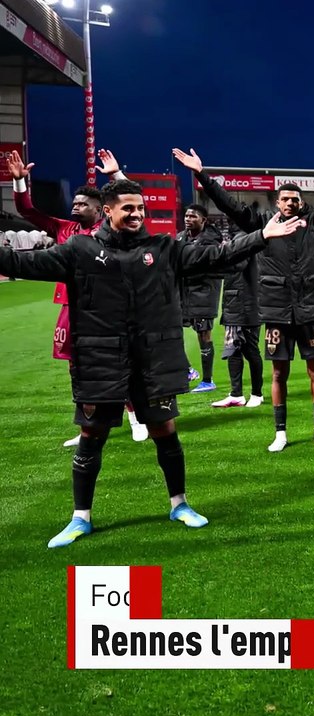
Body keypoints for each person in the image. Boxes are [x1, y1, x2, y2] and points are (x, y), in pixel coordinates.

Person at [0, 179, 295, 548]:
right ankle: (80, 518)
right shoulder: (79, 248)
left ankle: (180, 504)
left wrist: (261, 236)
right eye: (129, 208)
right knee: (91, 437)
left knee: (165, 431)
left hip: (153, 360)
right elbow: (22, 262)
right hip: (100, 359)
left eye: (141, 208)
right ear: (108, 211)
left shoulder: (164, 248)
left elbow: (216, 256)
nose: (137, 214)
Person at [174, 148, 314, 453]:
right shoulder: (262, 223)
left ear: (301, 202)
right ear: (277, 203)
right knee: (279, 373)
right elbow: (230, 206)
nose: (291, 202)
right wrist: (202, 175)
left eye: (295, 199)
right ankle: (280, 432)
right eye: (286, 199)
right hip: (277, 310)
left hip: (310, 310)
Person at [6, 149, 148, 446]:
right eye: (75, 202)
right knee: (76, 366)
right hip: (71, 306)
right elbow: (28, 211)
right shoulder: (64, 228)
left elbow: (132, 206)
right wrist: (19, 182)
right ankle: (87, 421)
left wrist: (116, 175)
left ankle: (135, 418)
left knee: (118, 364)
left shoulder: (111, 230)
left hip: (106, 308)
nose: (75, 206)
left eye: (82, 204)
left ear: (100, 211)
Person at [210, 233, 265, 408]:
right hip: (233, 307)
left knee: (250, 350)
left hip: (247, 308)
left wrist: (220, 256)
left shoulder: (245, 246)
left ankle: (257, 393)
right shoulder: (240, 243)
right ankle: (236, 394)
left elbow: (236, 265)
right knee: (233, 350)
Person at [177, 204, 224, 394]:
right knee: (170, 330)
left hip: (204, 293)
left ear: (203, 220)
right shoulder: (180, 237)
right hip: (183, 292)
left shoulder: (211, 241)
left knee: (204, 336)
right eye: (187, 215)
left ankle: (207, 380)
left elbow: (199, 265)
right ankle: (187, 369)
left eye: (193, 216)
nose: (188, 219)